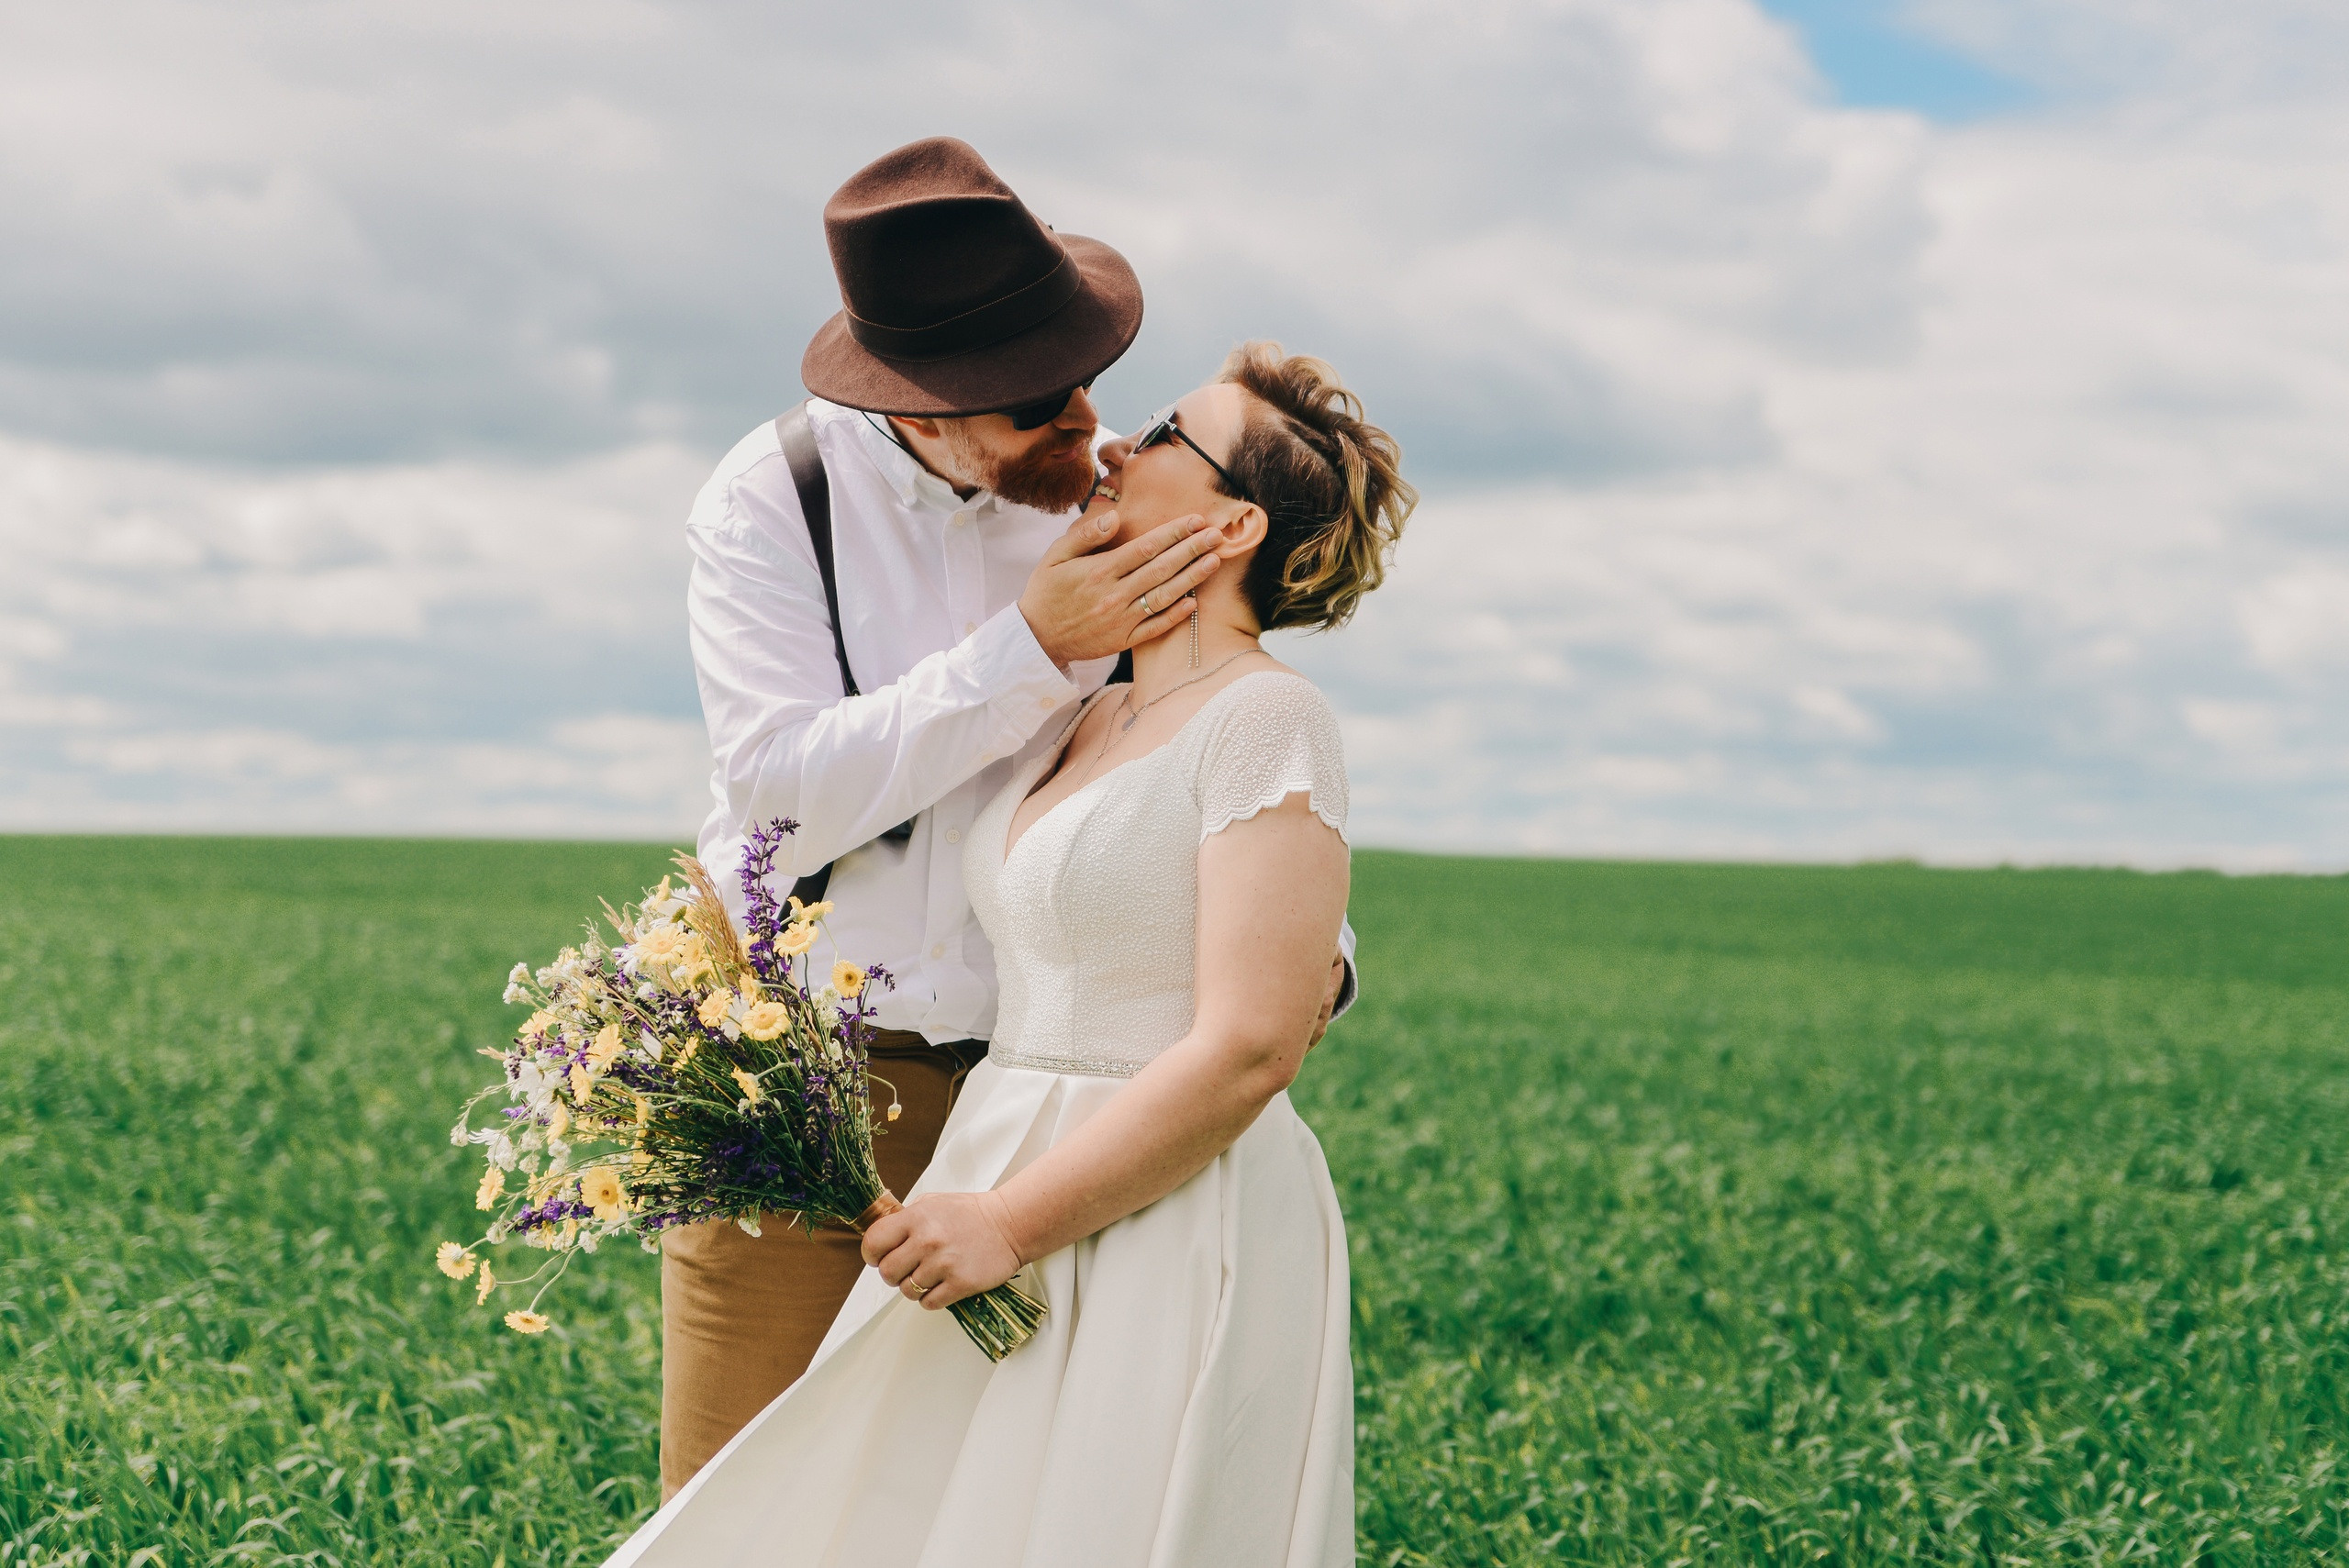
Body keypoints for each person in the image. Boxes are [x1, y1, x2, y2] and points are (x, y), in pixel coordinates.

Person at [612, 338, 1414, 1568]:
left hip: (1119, 1180)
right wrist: (1030, 650)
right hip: (908, 1114)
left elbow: (1253, 957)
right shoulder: (796, 508)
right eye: (1058, 403)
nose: (1107, 438)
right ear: (932, 406)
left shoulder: (1259, 699)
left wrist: (1313, 958)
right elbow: (778, 794)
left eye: (1156, 429)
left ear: (1236, 523)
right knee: (783, 1512)